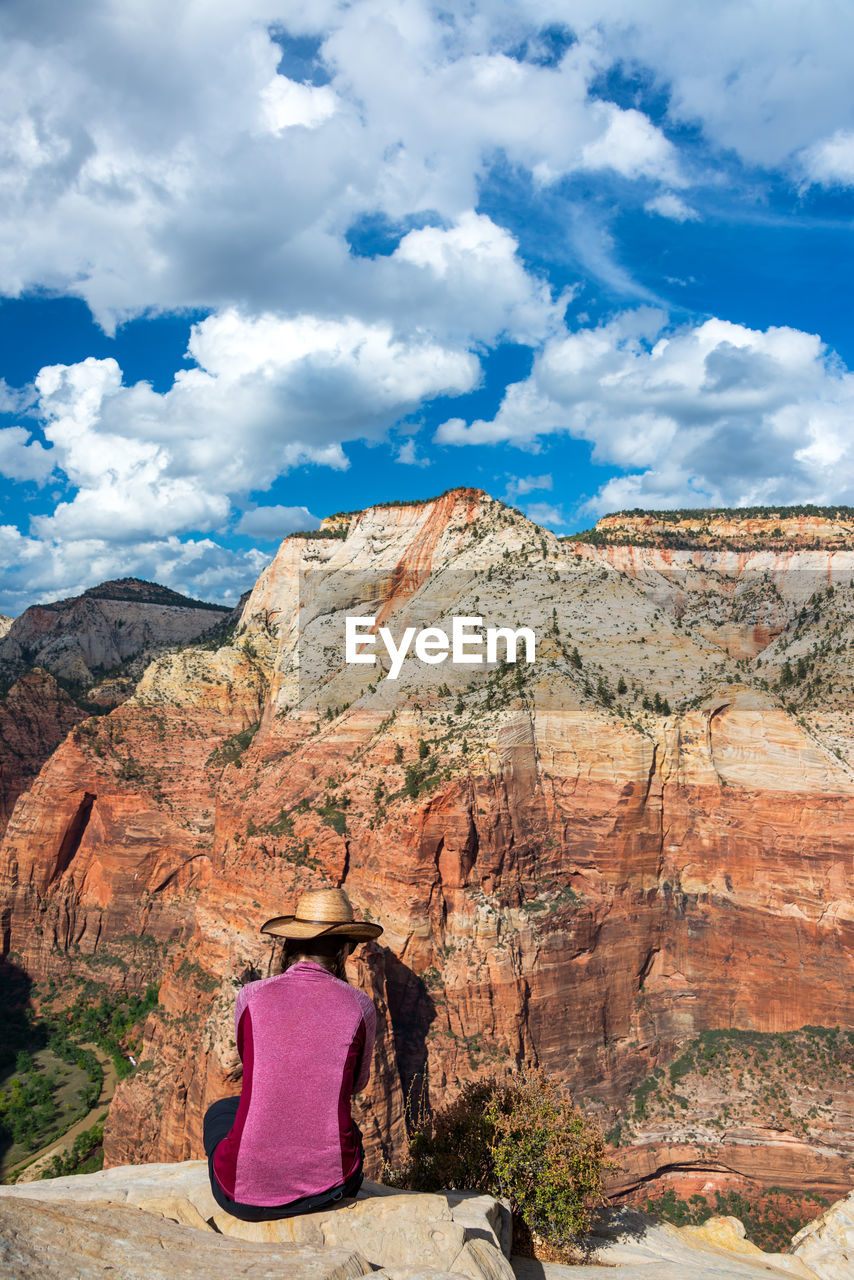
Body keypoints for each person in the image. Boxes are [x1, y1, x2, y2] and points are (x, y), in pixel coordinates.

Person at [203, 887, 383, 1221]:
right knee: (350, 1131)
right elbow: (356, 1085)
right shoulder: (360, 1006)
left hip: (241, 1198)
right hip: (332, 1188)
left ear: (291, 943)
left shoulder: (250, 996)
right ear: (344, 951)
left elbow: (255, 1068)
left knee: (220, 1112)